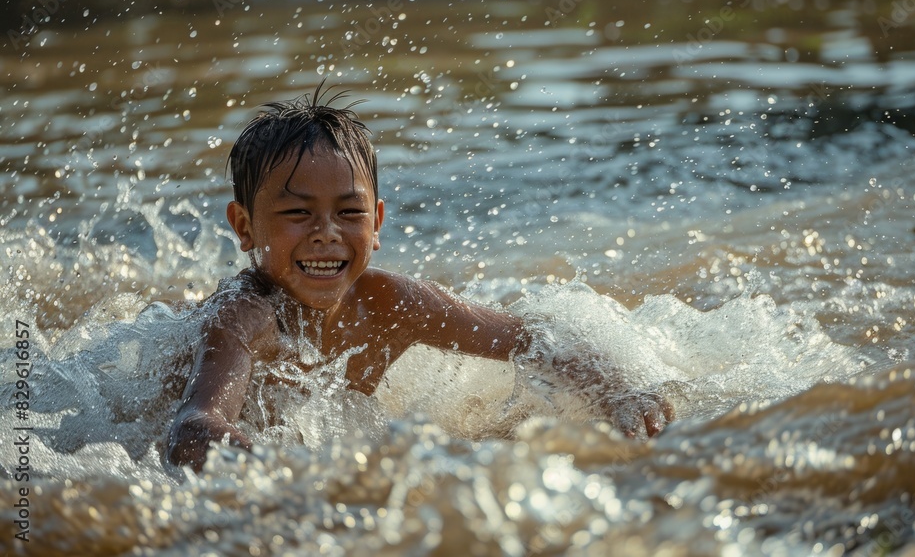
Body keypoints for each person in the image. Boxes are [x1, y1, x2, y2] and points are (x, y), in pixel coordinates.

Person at [167, 86, 673, 471]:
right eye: (297, 213)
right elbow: (193, 428)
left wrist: (618, 393)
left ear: (378, 223)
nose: (326, 234)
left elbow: (534, 339)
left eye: (349, 212)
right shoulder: (243, 316)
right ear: (244, 227)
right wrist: (286, 475)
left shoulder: (393, 303)